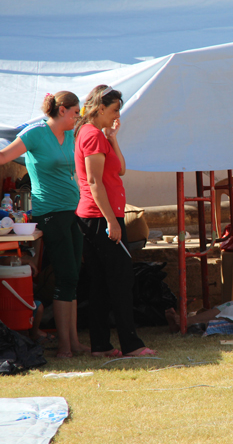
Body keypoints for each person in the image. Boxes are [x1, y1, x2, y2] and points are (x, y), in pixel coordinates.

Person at [0, 91, 88, 359]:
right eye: (75, 112)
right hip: (50, 213)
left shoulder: (71, 136)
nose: (77, 117)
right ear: (62, 110)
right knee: (65, 276)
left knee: (73, 277)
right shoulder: (35, 134)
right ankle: (65, 346)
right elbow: (4, 157)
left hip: (71, 211)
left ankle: (74, 342)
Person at [74, 84, 155, 358]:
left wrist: (113, 138)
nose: (117, 114)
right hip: (100, 216)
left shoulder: (97, 135)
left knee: (100, 282)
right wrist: (113, 221)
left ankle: (101, 344)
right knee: (121, 279)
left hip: (96, 215)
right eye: (114, 110)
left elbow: (119, 169)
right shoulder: (91, 135)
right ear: (99, 109)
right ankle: (131, 344)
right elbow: (95, 182)